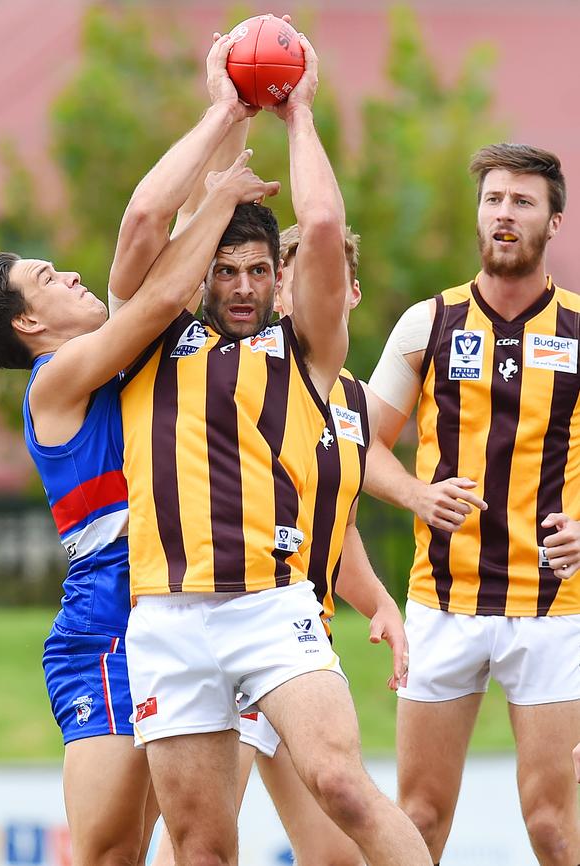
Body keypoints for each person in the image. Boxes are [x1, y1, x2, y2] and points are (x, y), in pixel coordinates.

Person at [120, 29, 431, 866]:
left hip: (271, 604)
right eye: (227, 271)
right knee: (202, 846)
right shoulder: (152, 335)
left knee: (340, 785)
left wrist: (299, 115)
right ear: (201, 276)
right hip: (167, 613)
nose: (247, 287)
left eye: (260, 270)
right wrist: (223, 109)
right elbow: (150, 216)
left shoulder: (307, 351)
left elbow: (323, 223)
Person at [0, 51, 278, 865]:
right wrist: (220, 185)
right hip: (108, 613)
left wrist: (231, 117)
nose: (69, 274)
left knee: (184, 841)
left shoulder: (121, 356)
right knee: (107, 851)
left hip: (185, 591)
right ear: (29, 325)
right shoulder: (57, 378)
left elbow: (157, 241)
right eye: (48, 279)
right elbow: (167, 278)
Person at [150, 225, 409, 866]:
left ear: (348, 293)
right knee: (202, 842)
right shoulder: (244, 369)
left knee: (335, 848)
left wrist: (378, 600)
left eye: (294, 274)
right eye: (280, 274)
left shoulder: (348, 397)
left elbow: (336, 519)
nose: (286, 288)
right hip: (224, 613)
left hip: (295, 629)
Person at [364, 142, 580, 866]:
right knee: (419, 818)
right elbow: (356, 449)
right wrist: (418, 495)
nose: (505, 215)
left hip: (553, 610)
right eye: (494, 200)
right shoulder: (426, 324)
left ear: (554, 220)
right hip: (442, 606)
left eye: (523, 202)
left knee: (552, 826)